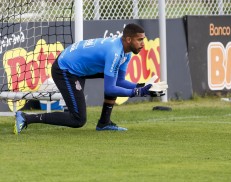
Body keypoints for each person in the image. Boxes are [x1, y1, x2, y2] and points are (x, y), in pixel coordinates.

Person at [14, 23, 164, 134]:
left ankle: (104, 123)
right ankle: (26, 117)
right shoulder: (115, 52)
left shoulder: (127, 52)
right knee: (78, 119)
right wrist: (139, 92)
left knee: (112, 79)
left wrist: (142, 86)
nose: (143, 44)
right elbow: (110, 88)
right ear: (129, 39)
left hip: (78, 67)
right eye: (140, 40)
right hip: (65, 69)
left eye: (144, 40)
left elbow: (118, 82)